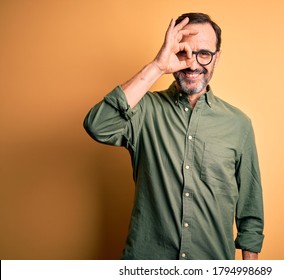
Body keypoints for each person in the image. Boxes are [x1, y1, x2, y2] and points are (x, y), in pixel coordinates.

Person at [84, 12, 264, 260]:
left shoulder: (239, 125)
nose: (192, 64)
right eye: (183, 52)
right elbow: (98, 125)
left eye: (204, 54)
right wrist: (157, 66)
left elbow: (250, 211)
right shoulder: (144, 110)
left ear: (217, 58)